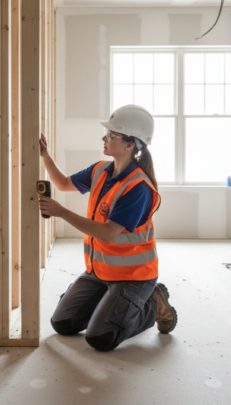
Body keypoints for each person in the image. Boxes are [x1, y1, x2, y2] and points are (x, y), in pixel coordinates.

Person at [37, 104, 177, 351]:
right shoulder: (101, 170)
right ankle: (111, 303)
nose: (105, 138)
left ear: (129, 144)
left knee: (101, 338)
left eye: (112, 135)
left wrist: (61, 212)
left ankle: (153, 302)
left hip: (134, 276)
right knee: (63, 324)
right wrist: (45, 156)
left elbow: (107, 232)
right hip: (100, 271)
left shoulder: (139, 188)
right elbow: (63, 183)